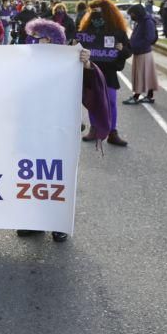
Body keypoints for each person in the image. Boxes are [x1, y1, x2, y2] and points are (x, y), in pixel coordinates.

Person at [15, 18, 103, 243]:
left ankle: (59, 222)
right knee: (32, 175)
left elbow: (90, 88)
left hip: (60, 130)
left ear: (55, 41)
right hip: (33, 128)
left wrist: (86, 65)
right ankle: (35, 221)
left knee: (58, 176)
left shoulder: (70, 63)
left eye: (44, 39)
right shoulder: (25, 63)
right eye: (36, 38)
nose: (39, 42)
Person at [78, 0, 133, 147]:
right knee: (92, 101)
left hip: (108, 71)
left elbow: (128, 51)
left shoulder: (118, 32)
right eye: (93, 12)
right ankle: (94, 129)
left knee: (111, 101)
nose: (96, 16)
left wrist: (121, 49)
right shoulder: (86, 30)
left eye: (99, 12)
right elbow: (78, 46)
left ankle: (112, 132)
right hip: (91, 69)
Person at [123, 4, 159, 105]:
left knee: (140, 75)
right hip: (141, 52)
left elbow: (149, 38)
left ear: (138, 13)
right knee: (148, 75)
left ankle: (136, 97)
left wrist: (136, 46)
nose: (131, 16)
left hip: (143, 52)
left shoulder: (147, 22)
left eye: (132, 14)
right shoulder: (142, 21)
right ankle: (149, 96)